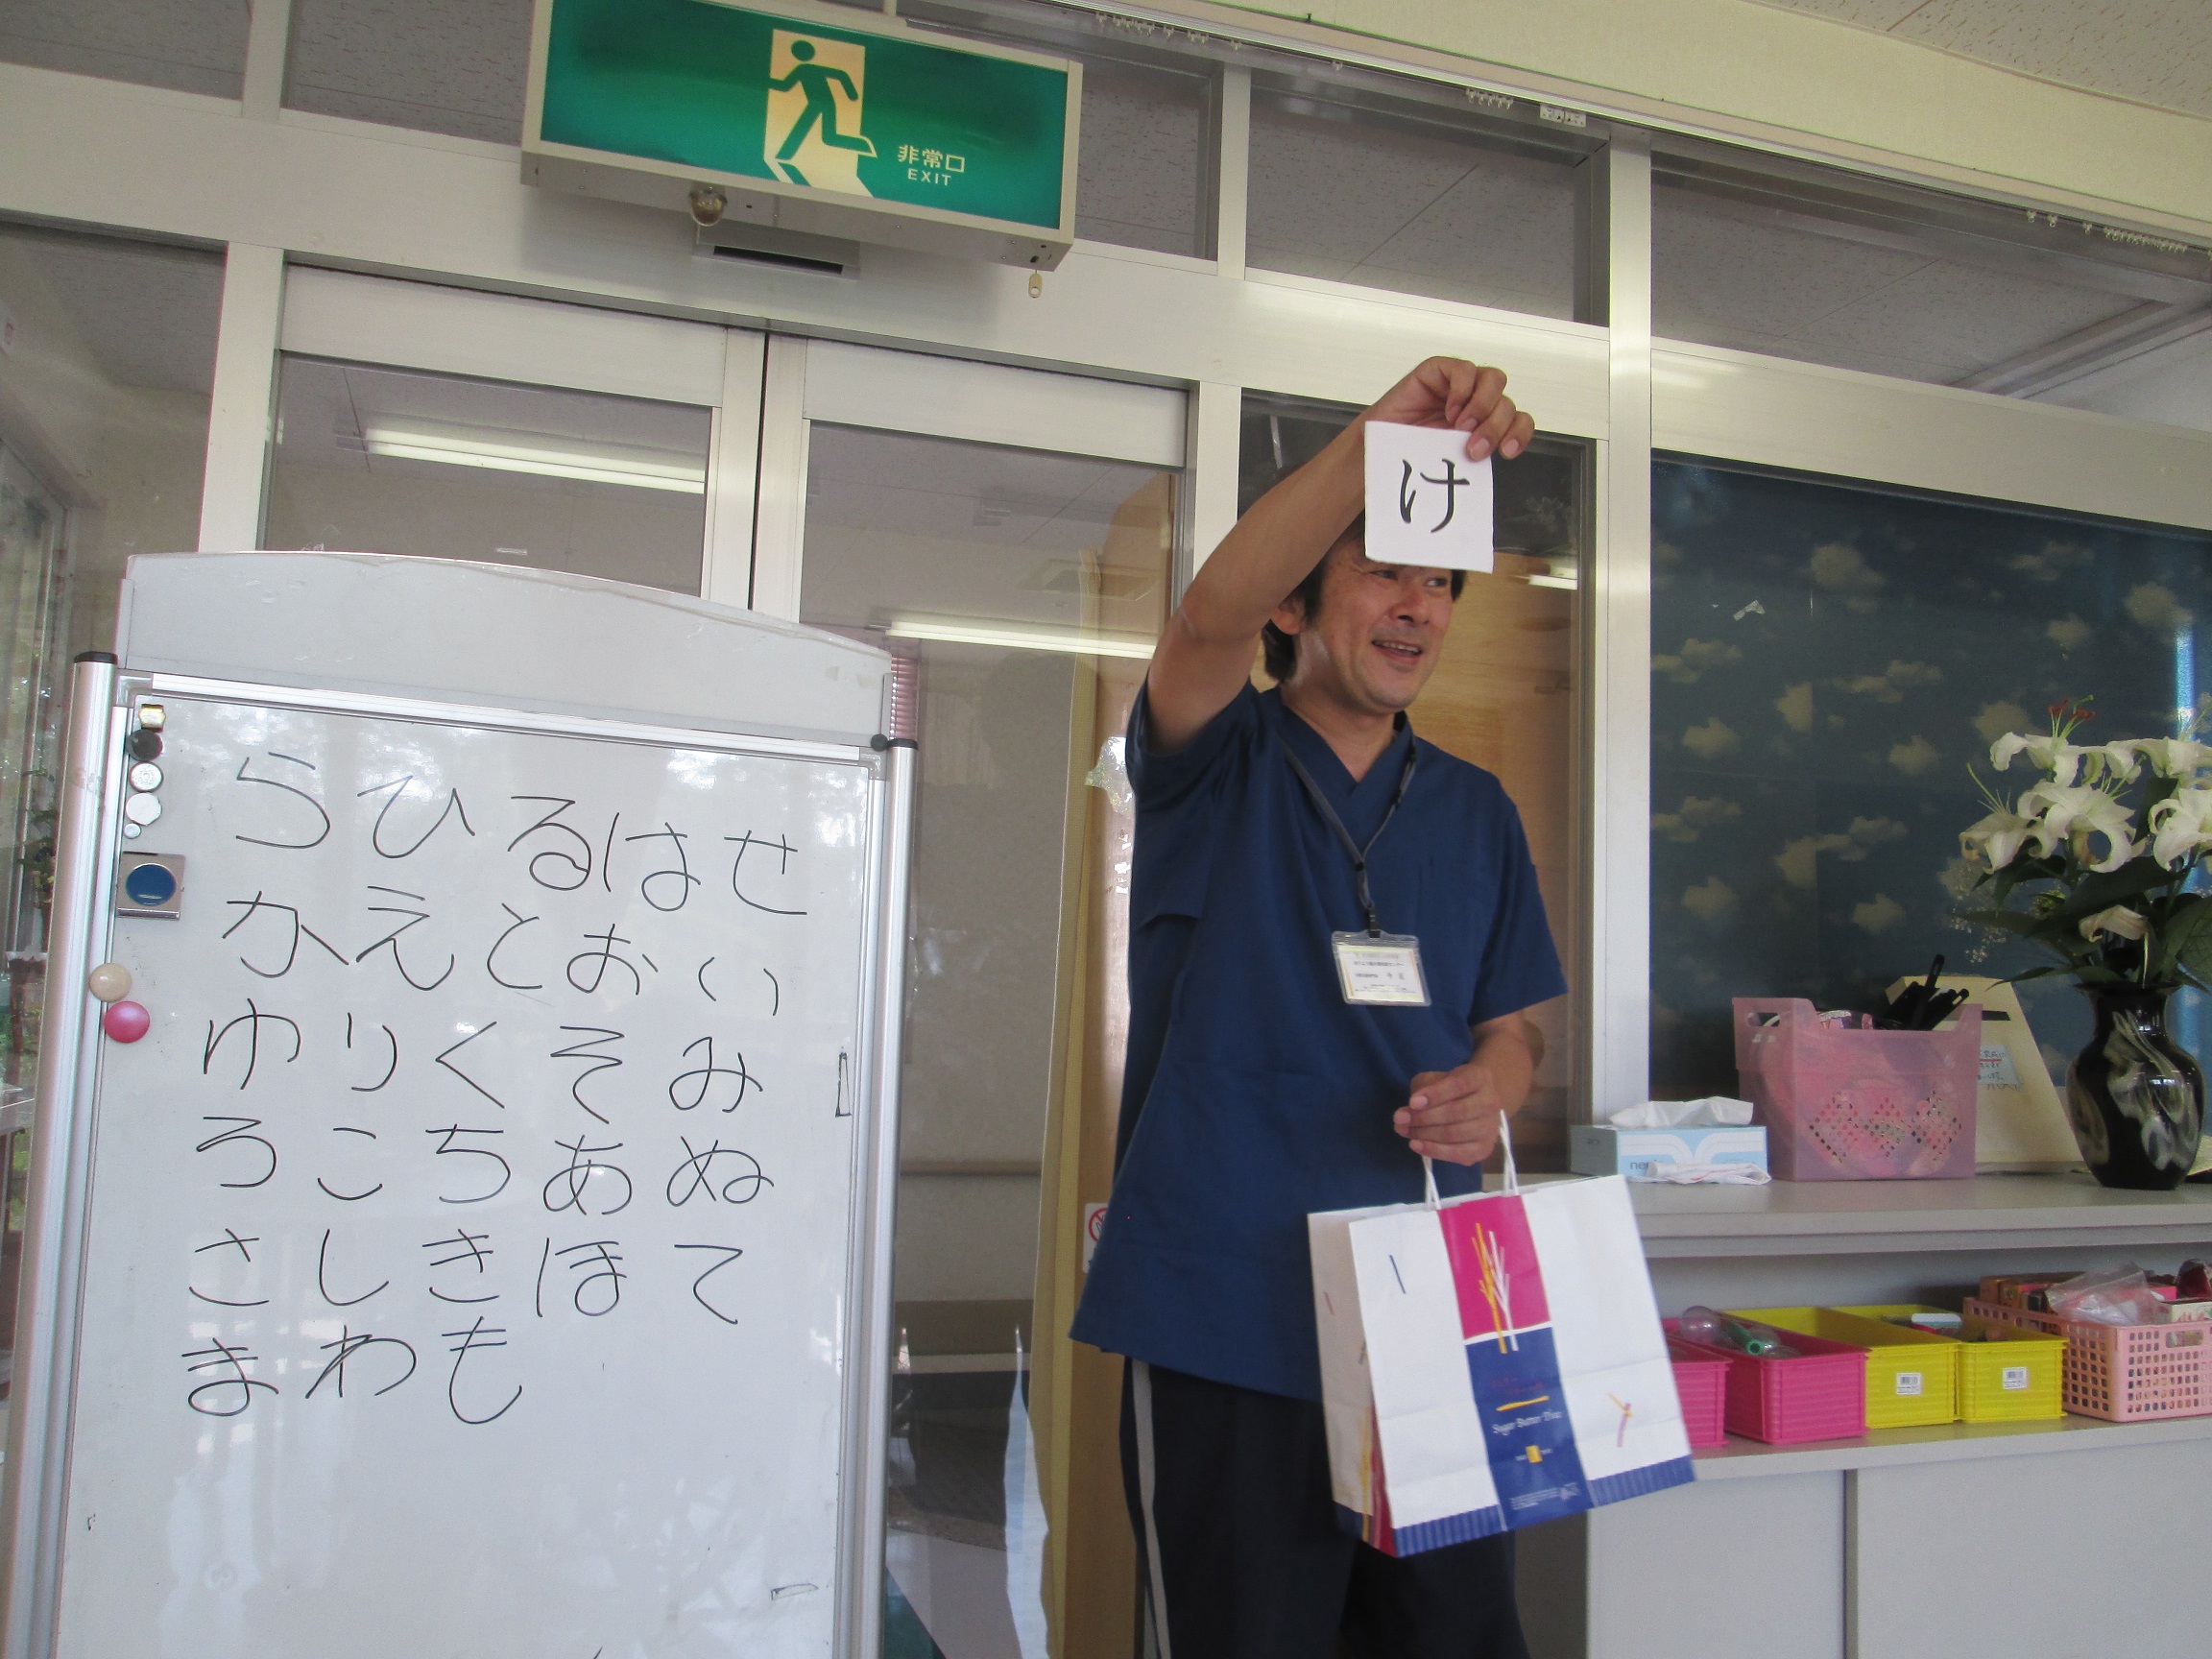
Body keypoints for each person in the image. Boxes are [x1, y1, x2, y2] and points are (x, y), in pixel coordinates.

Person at [1070, 358, 1564, 1659]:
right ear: (1296, 602)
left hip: (1432, 1310)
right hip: (1227, 1306)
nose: (1417, 608)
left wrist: (1493, 1091)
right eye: (1384, 571)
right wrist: (1379, 436)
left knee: (1453, 1640)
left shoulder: (1475, 811)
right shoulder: (1214, 761)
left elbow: (1513, 1026)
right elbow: (1206, 621)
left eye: (1440, 583)